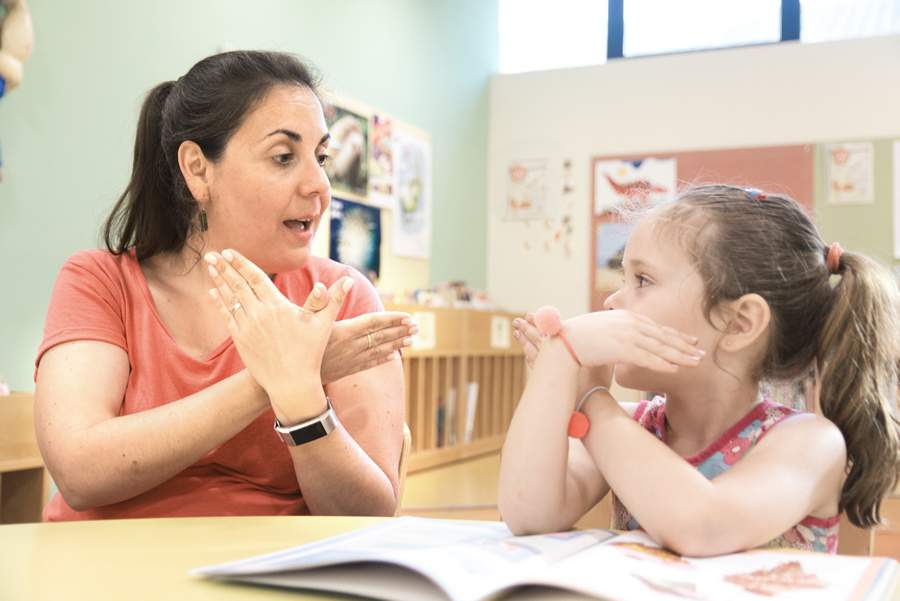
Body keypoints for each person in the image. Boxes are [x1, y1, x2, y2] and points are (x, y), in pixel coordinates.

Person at [34, 50, 417, 521]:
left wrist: (302, 403)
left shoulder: (342, 297)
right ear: (198, 169)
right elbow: (79, 472)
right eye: (283, 157)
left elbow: (368, 513)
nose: (319, 185)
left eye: (321, 157)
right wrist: (279, 378)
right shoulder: (99, 281)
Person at [501, 184, 900, 556]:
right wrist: (556, 370)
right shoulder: (630, 426)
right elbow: (529, 515)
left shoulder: (810, 443)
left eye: (642, 279)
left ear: (739, 323)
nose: (611, 300)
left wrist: (591, 400)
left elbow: (702, 525)